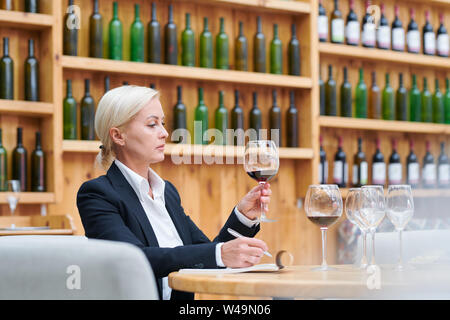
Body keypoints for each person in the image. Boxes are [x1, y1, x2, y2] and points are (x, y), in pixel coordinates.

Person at [76, 85, 272, 300]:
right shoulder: (97, 194)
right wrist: (219, 254)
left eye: (163, 123)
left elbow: (205, 254)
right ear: (118, 136)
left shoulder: (167, 192)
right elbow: (132, 260)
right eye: (152, 124)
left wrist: (243, 216)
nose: (164, 133)